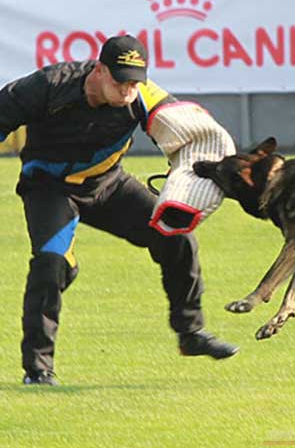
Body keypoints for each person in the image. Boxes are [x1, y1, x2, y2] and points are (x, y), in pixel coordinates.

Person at [0, 34, 239, 386]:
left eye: (134, 81)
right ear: (99, 70)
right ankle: (38, 369)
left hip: (108, 186)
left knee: (176, 237)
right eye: (120, 79)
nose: (128, 89)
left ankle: (191, 333)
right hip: (49, 188)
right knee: (50, 263)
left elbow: (191, 133)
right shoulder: (49, 85)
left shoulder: (143, 95)